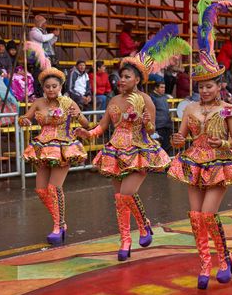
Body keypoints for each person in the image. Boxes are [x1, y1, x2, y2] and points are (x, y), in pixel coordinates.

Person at [76, 24, 190, 261]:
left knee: (127, 194)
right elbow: (103, 126)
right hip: (116, 151)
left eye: (127, 77)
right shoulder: (114, 100)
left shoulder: (145, 99)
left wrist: (147, 121)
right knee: (119, 198)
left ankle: (144, 224)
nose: (121, 80)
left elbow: (150, 130)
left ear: (137, 79)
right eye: (121, 77)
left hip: (139, 150)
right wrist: (87, 133)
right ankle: (125, 240)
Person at [168, 0, 232, 290]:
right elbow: (183, 136)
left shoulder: (229, 109)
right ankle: (204, 263)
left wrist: (222, 144)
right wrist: (178, 139)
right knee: (195, 217)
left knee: (209, 215)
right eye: (201, 86)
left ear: (219, 85)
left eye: (209, 85)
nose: (204, 90)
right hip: (194, 163)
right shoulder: (189, 108)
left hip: (220, 163)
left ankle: (224, 259)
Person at [18, 67, 90, 245]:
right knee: (41, 191)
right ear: (43, 87)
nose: (51, 89)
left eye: (54, 86)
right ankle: (61, 222)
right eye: (47, 86)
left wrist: (78, 115)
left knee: (54, 188)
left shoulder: (68, 102)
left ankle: (57, 226)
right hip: (43, 147)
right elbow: (23, 119)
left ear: (60, 86)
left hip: (63, 147)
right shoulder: (38, 103)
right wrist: (24, 120)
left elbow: (86, 123)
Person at [150, 81, 173, 153]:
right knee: (159, 148)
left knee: (167, 147)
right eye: (161, 87)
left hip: (167, 126)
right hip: (159, 127)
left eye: (164, 87)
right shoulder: (151, 98)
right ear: (156, 88)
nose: (163, 89)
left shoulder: (165, 97)